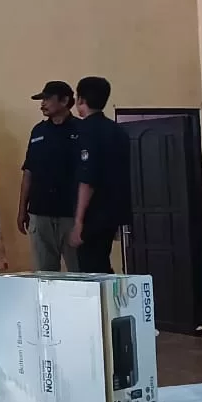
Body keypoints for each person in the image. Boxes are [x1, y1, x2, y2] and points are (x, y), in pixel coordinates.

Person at [69, 76, 132, 273]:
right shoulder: (117, 131)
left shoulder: (86, 130)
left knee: (91, 269)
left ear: (80, 99)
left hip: (94, 212)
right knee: (102, 263)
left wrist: (79, 221)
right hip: (114, 211)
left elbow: (87, 179)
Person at [17, 81, 81, 273]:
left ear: (64, 101)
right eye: (41, 99)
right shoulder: (38, 131)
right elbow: (29, 171)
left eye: (47, 99)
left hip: (71, 214)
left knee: (79, 272)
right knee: (44, 274)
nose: (42, 104)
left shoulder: (81, 130)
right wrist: (22, 210)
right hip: (40, 213)